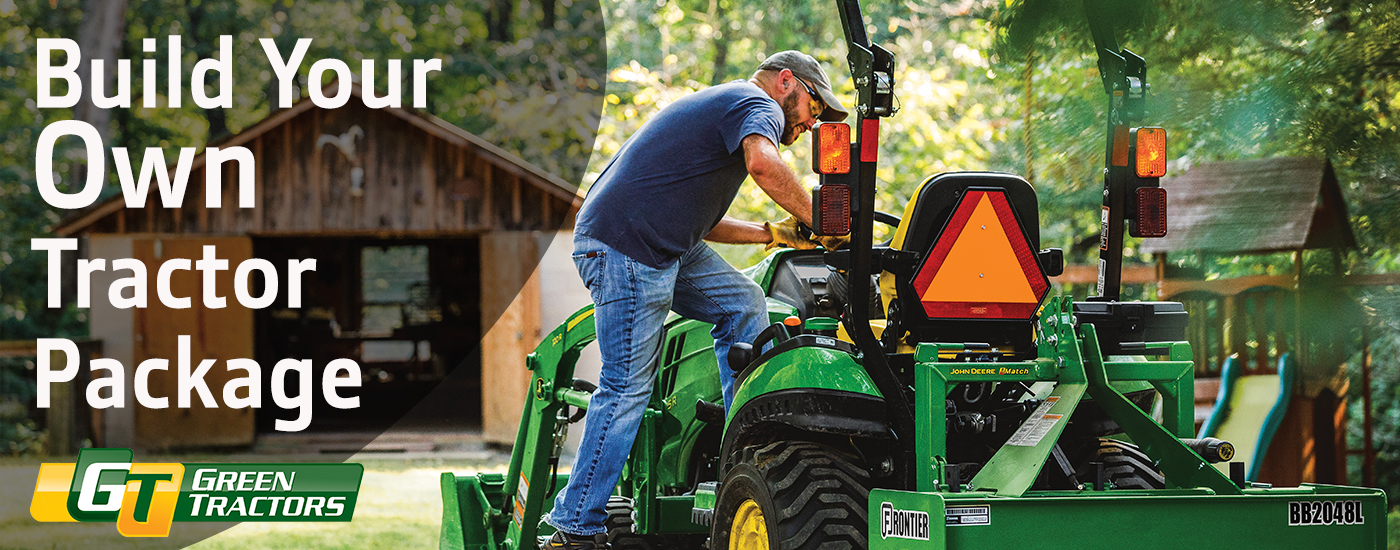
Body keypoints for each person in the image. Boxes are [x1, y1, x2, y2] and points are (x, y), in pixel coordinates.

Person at [541, 50, 849, 550]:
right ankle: (574, 526)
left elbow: (701, 223)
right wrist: (823, 221)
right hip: (627, 247)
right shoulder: (756, 103)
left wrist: (774, 233)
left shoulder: (726, 108)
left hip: (662, 243)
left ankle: (744, 445)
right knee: (626, 388)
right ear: (787, 82)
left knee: (743, 304)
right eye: (814, 106)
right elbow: (763, 166)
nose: (813, 122)